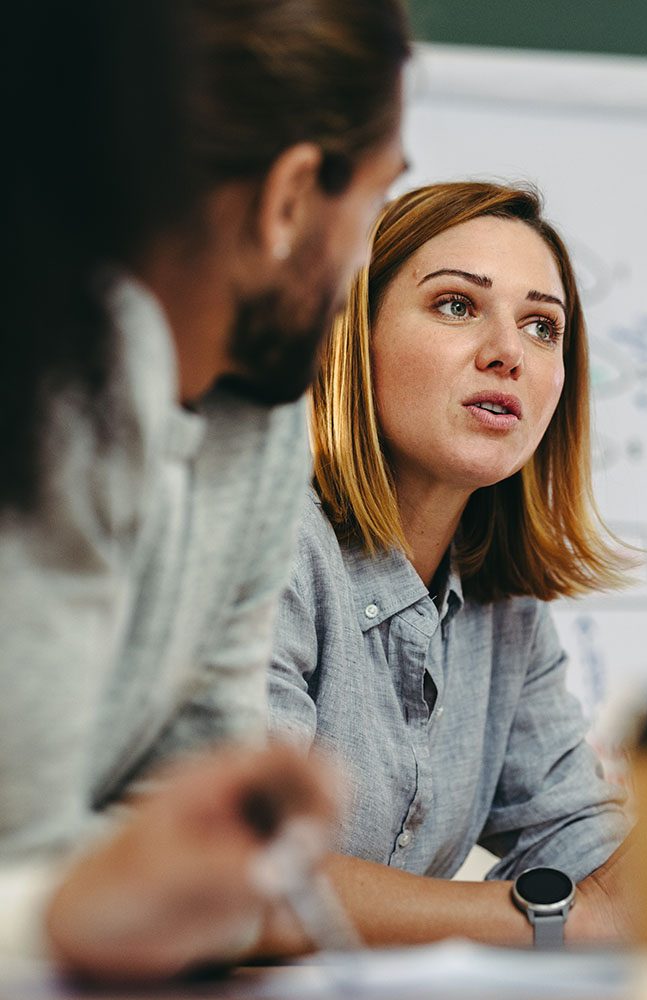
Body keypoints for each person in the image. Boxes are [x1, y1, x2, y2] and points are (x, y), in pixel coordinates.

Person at [268, 181, 647, 945]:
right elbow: (242, 879)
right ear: (353, 335)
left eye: (543, 327)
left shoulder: (501, 607)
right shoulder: (266, 547)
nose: (508, 353)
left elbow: (577, 848)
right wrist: (589, 914)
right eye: (455, 305)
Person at [0, 0, 409, 980]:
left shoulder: (263, 422)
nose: (360, 269)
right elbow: (44, 860)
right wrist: (75, 909)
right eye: (375, 207)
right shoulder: (53, 393)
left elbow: (213, 857)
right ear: (290, 197)